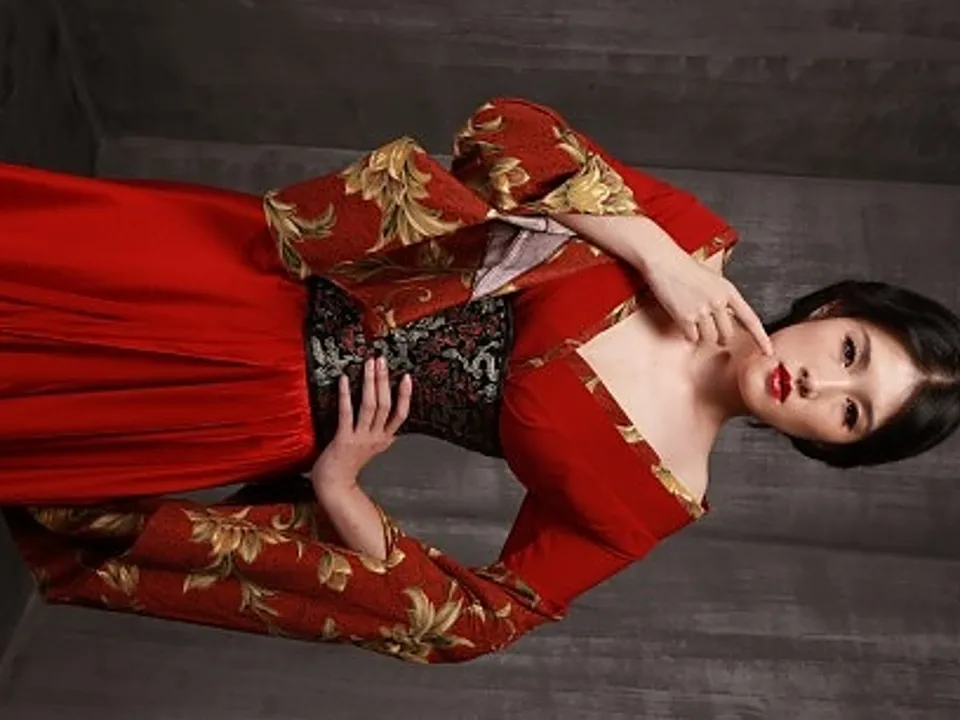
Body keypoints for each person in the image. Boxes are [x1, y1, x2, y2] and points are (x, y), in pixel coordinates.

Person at [2, 98, 958, 664]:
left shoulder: (659, 493)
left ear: (832, 448)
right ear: (836, 306)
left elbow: (477, 624)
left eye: (852, 415)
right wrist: (653, 252)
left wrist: (341, 486)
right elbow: (507, 131)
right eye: (851, 353)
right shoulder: (690, 238)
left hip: (255, 409)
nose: (822, 387)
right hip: (251, 275)